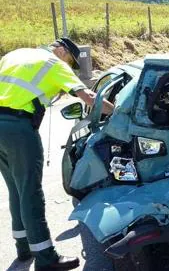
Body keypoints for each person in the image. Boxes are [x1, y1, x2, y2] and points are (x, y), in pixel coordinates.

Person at [0, 38, 114, 270]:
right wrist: (120, 111)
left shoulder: (15, 54)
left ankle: (23, 248)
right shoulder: (53, 63)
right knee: (30, 191)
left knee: (16, 188)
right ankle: (46, 258)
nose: (68, 65)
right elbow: (90, 98)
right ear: (61, 50)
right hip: (18, 128)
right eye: (70, 61)